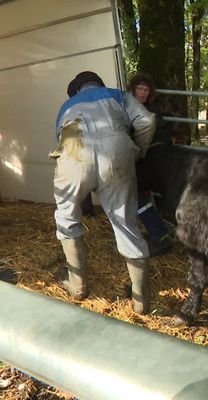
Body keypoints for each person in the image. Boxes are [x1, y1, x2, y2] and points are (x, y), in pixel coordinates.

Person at [51, 71, 156, 314]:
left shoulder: (66, 106)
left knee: (66, 217)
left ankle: (77, 285)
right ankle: (140, 301)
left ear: (77, 90)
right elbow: (147, 121)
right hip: (115, 154)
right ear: (98, 84)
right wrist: (138, 150)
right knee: (125, 223)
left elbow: (59, 140)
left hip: (73, 155)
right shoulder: (117, 95)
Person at [127, 72, 174, 257]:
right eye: (140, 88)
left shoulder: (151, 110)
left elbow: (161, 135)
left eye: (146, 90)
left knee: (135, 191)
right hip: (145, 158)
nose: (143, 93)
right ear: (133, 88)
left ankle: (159, 235)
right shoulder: (126, 107)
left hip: (153, 158)